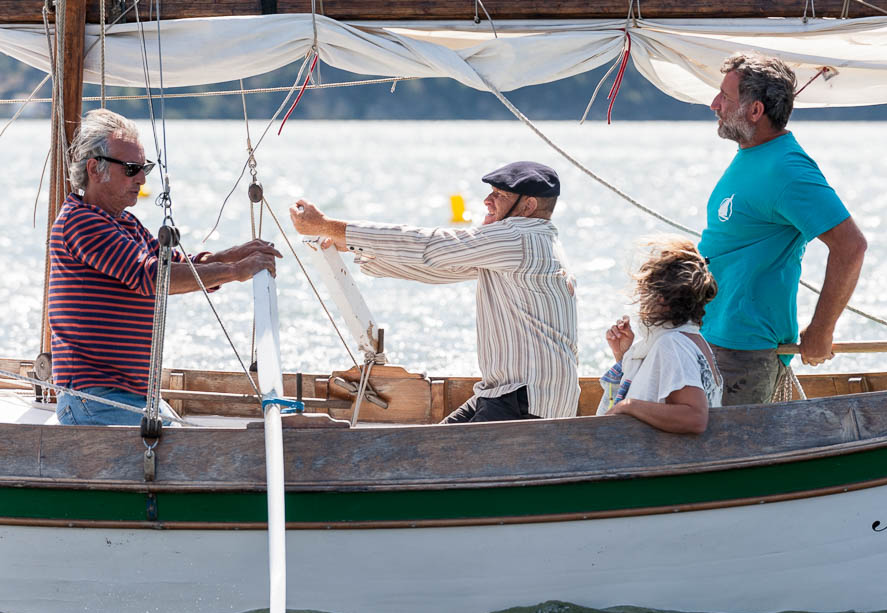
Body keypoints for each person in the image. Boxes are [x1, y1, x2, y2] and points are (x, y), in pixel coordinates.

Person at [289, 161, 579, 422]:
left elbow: (430, 245)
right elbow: (438, 269)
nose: (487, 200)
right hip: (514, 394)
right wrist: (355, 247)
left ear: (527, 206)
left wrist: (328, 226)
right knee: (435, 447)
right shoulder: (539, 242)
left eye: (499, 195)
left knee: (438, 455)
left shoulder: (519, 237)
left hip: (524, 399)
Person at [50, 109, 281, 426]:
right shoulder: (81, 222)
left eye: (144, 168)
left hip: (129, 397)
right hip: (94, 400)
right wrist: (234, 272)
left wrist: (230, 257)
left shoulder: (125, 224)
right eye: (131, 169)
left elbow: (173, 265)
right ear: (94, 169)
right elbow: (150, 276)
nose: (142, 179)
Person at [699, 52, 868, 405]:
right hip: (714, 337)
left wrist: (821, 330)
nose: (714, 104)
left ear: (755, 110)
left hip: (744, 352)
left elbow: (851, 246)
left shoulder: (788, 169)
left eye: (725, 97)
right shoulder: (752, 152)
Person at [597, 238, 722, 434]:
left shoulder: (672, 344)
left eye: (645, 292)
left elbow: (695, 417)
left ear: (661, 300)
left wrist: (629, 405)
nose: (642, 301)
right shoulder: (694, 340)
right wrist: (623, 355)